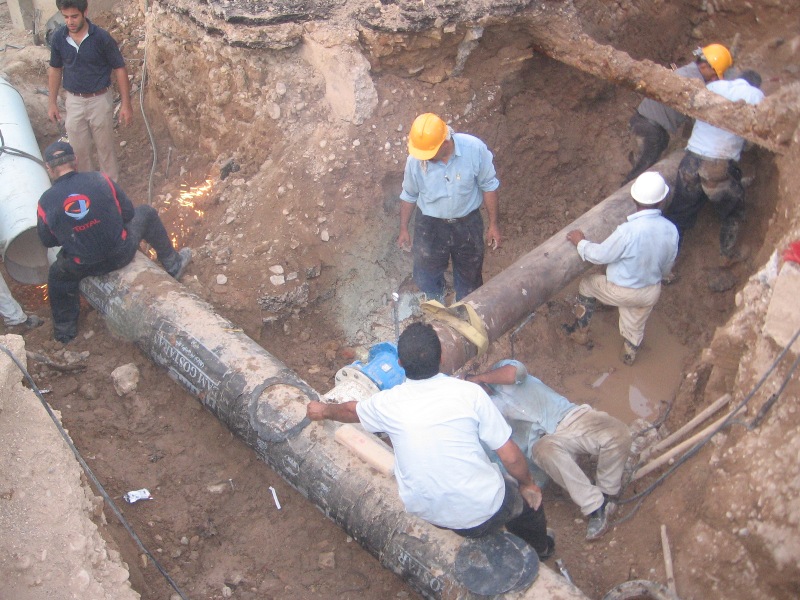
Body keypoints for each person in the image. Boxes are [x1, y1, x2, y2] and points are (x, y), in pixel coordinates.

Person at [306, 322, 555, 559]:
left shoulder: (387, 403)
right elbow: (510, 456)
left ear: (401, 363)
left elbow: (350, 411)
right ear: (442, 359)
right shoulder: (469, 394)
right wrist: (528, 484)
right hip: (484, 510)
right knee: (527, 504)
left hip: (430, 514)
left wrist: (323, 410)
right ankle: (541, 549)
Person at [37, 141, 191, 344]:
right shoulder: (100, 179)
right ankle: (173, 263)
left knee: (58, 275)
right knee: (146, 213)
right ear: (75, 160)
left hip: (83, 265)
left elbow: (47, 240)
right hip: (122, 252)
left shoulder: (45, 202)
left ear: (49, 168)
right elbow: (128, 213)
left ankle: (65, 332)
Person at [465, 359, 632, 541]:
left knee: (618, 433)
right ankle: (596, 507)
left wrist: (481, 378)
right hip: (543, 440)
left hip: (570, 416)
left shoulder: (500, 370)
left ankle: (608, 493)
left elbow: (516, 373)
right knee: (545, 452)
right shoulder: (483, 415)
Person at [564, 171, 679, 365]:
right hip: (651, 291)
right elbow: (668, 265)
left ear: (634, 198)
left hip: (622, 291)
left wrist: (580, 242)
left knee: (587, 284)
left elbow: (600, 255)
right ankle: (629, 355)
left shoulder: (628, 232)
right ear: (661, 201)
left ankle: (580, 332)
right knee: (634, 324)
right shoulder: (671, 229)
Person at [397, 113, 501, 303]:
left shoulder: (474, 149)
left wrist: (493, 224)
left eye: (429, 154)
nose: (425, 159)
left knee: (470, 276)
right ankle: (436, 300)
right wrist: (403, 228)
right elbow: (409, 195)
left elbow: (489, 186)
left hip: (468, 223)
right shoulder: (415, 160)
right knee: (425, 274)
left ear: (444, 143)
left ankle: (465, 308)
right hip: (430, 225)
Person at [664, 70, 764, 264]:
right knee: (734, 209)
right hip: (716, 167)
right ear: (755, 85)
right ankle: (726, 255)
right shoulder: (756, 95)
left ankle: (667, 263)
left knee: (680, 214)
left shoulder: (714, 86)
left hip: (691, 160)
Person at [48, 0, 132, 181]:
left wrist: (126, 104)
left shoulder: (101, 38)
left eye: (74, 16)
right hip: (74, 101)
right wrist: (52, 102)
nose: (70, 21)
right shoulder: (58, 39)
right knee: (79, 150)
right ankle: (88, 189)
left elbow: (119, 68)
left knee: (105, 148)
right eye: (66, 17)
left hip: (99, 100)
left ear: (85, 12)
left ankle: (110, 188)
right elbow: (55, 69)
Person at [624, 44, 732, 183]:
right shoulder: (692, 82)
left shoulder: (688, 73)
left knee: (652, 156)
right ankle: (630, 199)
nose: (714, 79)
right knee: (640, 173)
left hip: (646, 124)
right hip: (649, 129)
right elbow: (698, 115)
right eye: (715, 74)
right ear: (705, 67)